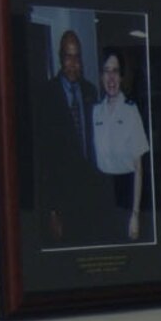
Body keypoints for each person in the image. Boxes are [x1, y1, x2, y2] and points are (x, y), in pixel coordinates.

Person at [32, 28, 103, 244]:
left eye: (77, 56)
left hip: (90, 197)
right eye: (68, 56)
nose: (74, 63)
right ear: (60, 57)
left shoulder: (90, 91)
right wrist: (52, 211)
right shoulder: (46, 95)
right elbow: (43, 159)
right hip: (62, 200)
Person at [91, 46, 151, 242]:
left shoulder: (131, 112)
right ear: (101, 76)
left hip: (126, 193)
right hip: (101, 194)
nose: (111, 78)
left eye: (115, 71)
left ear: (121, 76)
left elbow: (139, 168)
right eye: (106, 71)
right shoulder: (95, 112)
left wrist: (135, 215)